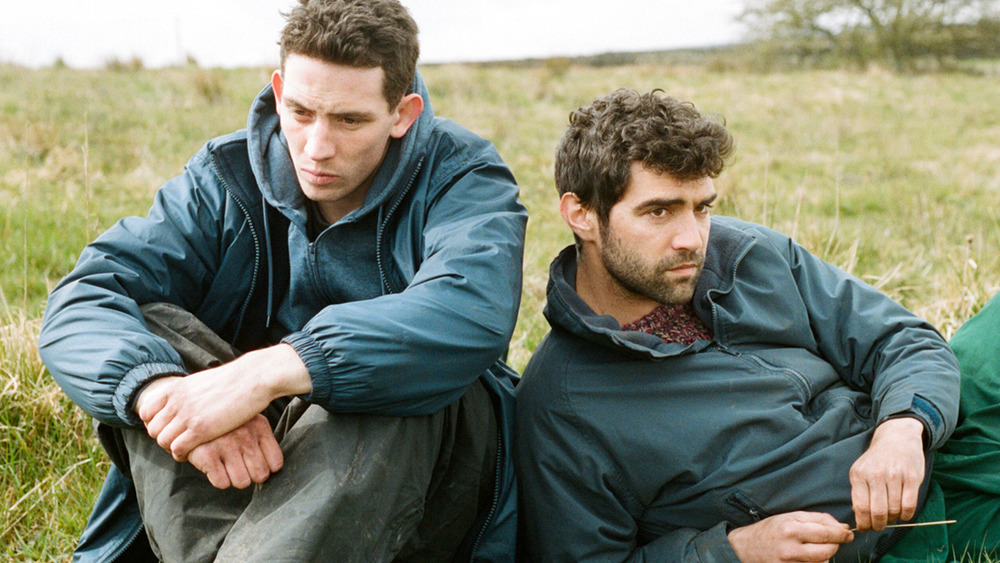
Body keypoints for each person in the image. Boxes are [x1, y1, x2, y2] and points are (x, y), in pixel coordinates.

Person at [38, 0, 527, 561]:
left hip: (420, 473)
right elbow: (86, 295)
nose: (317, 148)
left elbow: (470, 311)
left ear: (403, 113)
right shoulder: (225, 175)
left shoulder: (463, 177)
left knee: (401, 378)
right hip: (250, 457)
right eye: (298, 111)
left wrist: (270, 372)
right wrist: (166, 396)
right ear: (276, 90)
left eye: (349, 120)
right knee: (148, 335)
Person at [515, 88, 999, 561]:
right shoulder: (561, 405)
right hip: (889, 537)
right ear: (580, 214)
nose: (691, 239)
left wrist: (903, 427)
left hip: (936, 438)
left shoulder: (747, 251)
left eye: (701, 207)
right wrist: (730, 551)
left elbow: (902, 338)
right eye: (658, 211)